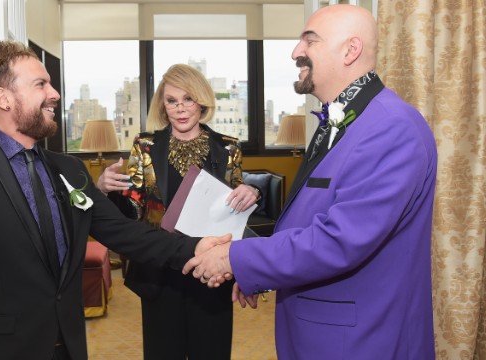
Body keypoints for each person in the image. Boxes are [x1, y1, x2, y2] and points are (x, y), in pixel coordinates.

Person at [0, 41, 229, 360]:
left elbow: (125, 233)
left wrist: (195, 247)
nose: (55, 94)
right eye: (41, 84)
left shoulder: (70, 171)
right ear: (4, 98)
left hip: (68, 346)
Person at [183, 5, 437, 359]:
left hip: (362, 341)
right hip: (325, 332)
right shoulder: (348, 121)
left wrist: (234, 258)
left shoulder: (391, 128)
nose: (295, 52)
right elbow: (309, 218)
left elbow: (339, 240)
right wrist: (257, 271)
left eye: (309, 40)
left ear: (350, 50)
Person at [96, 63, 259, 360]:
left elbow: (235, 207)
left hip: (212, 272)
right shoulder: (144, 147)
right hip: (161, 269)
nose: (181, 109)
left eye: (189, 99)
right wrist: (104, 189)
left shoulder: (229, 148)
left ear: (202, 102)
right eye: (172, 101)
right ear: (163, 105)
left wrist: (251, 192)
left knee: (211, 352)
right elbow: (131, 212)